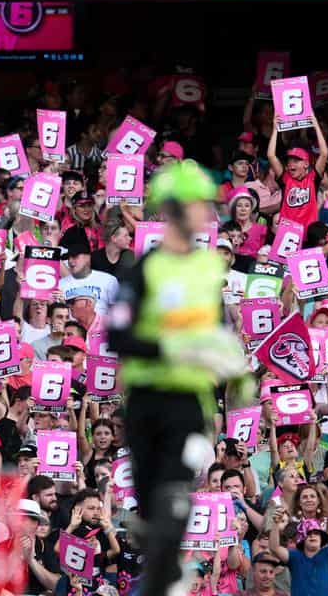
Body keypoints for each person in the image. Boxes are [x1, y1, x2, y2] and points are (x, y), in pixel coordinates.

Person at [107, 160, 246, 596]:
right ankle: (160, 569)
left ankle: (165, 581)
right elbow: (117, 334)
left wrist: (234, 365)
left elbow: (217, 337)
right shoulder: (144, 269)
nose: (205, 212)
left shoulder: (209, 272)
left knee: (174, 497)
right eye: (196, 204)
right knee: (152, 511)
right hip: (146, 400)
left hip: (189, 404)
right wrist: (173, 347)